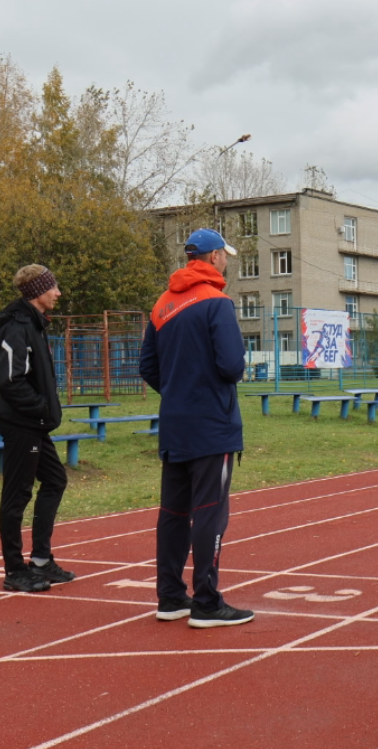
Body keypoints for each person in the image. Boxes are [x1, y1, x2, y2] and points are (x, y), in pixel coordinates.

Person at [139, 228, 253, 629]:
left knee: (173, 512)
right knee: (209, 512)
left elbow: (146, 367)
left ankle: (170, 596)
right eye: (225, 255)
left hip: (175, 424)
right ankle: (206, 600)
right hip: (212, 425)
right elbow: (232, 365)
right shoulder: (217, 303)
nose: (226, 262)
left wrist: (176, 391)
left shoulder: (162, 305)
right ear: (214, 257)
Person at [0, 265, 76, 592]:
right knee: (17, 494)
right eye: (53, 287)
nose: (58, 293)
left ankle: (40, 559)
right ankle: (15, 570)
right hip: (21, 423)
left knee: (55, 479)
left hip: (35, 423)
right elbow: (9, 380)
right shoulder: (17, 326)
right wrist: (40, 407)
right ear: (37, 291)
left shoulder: (35, 324)